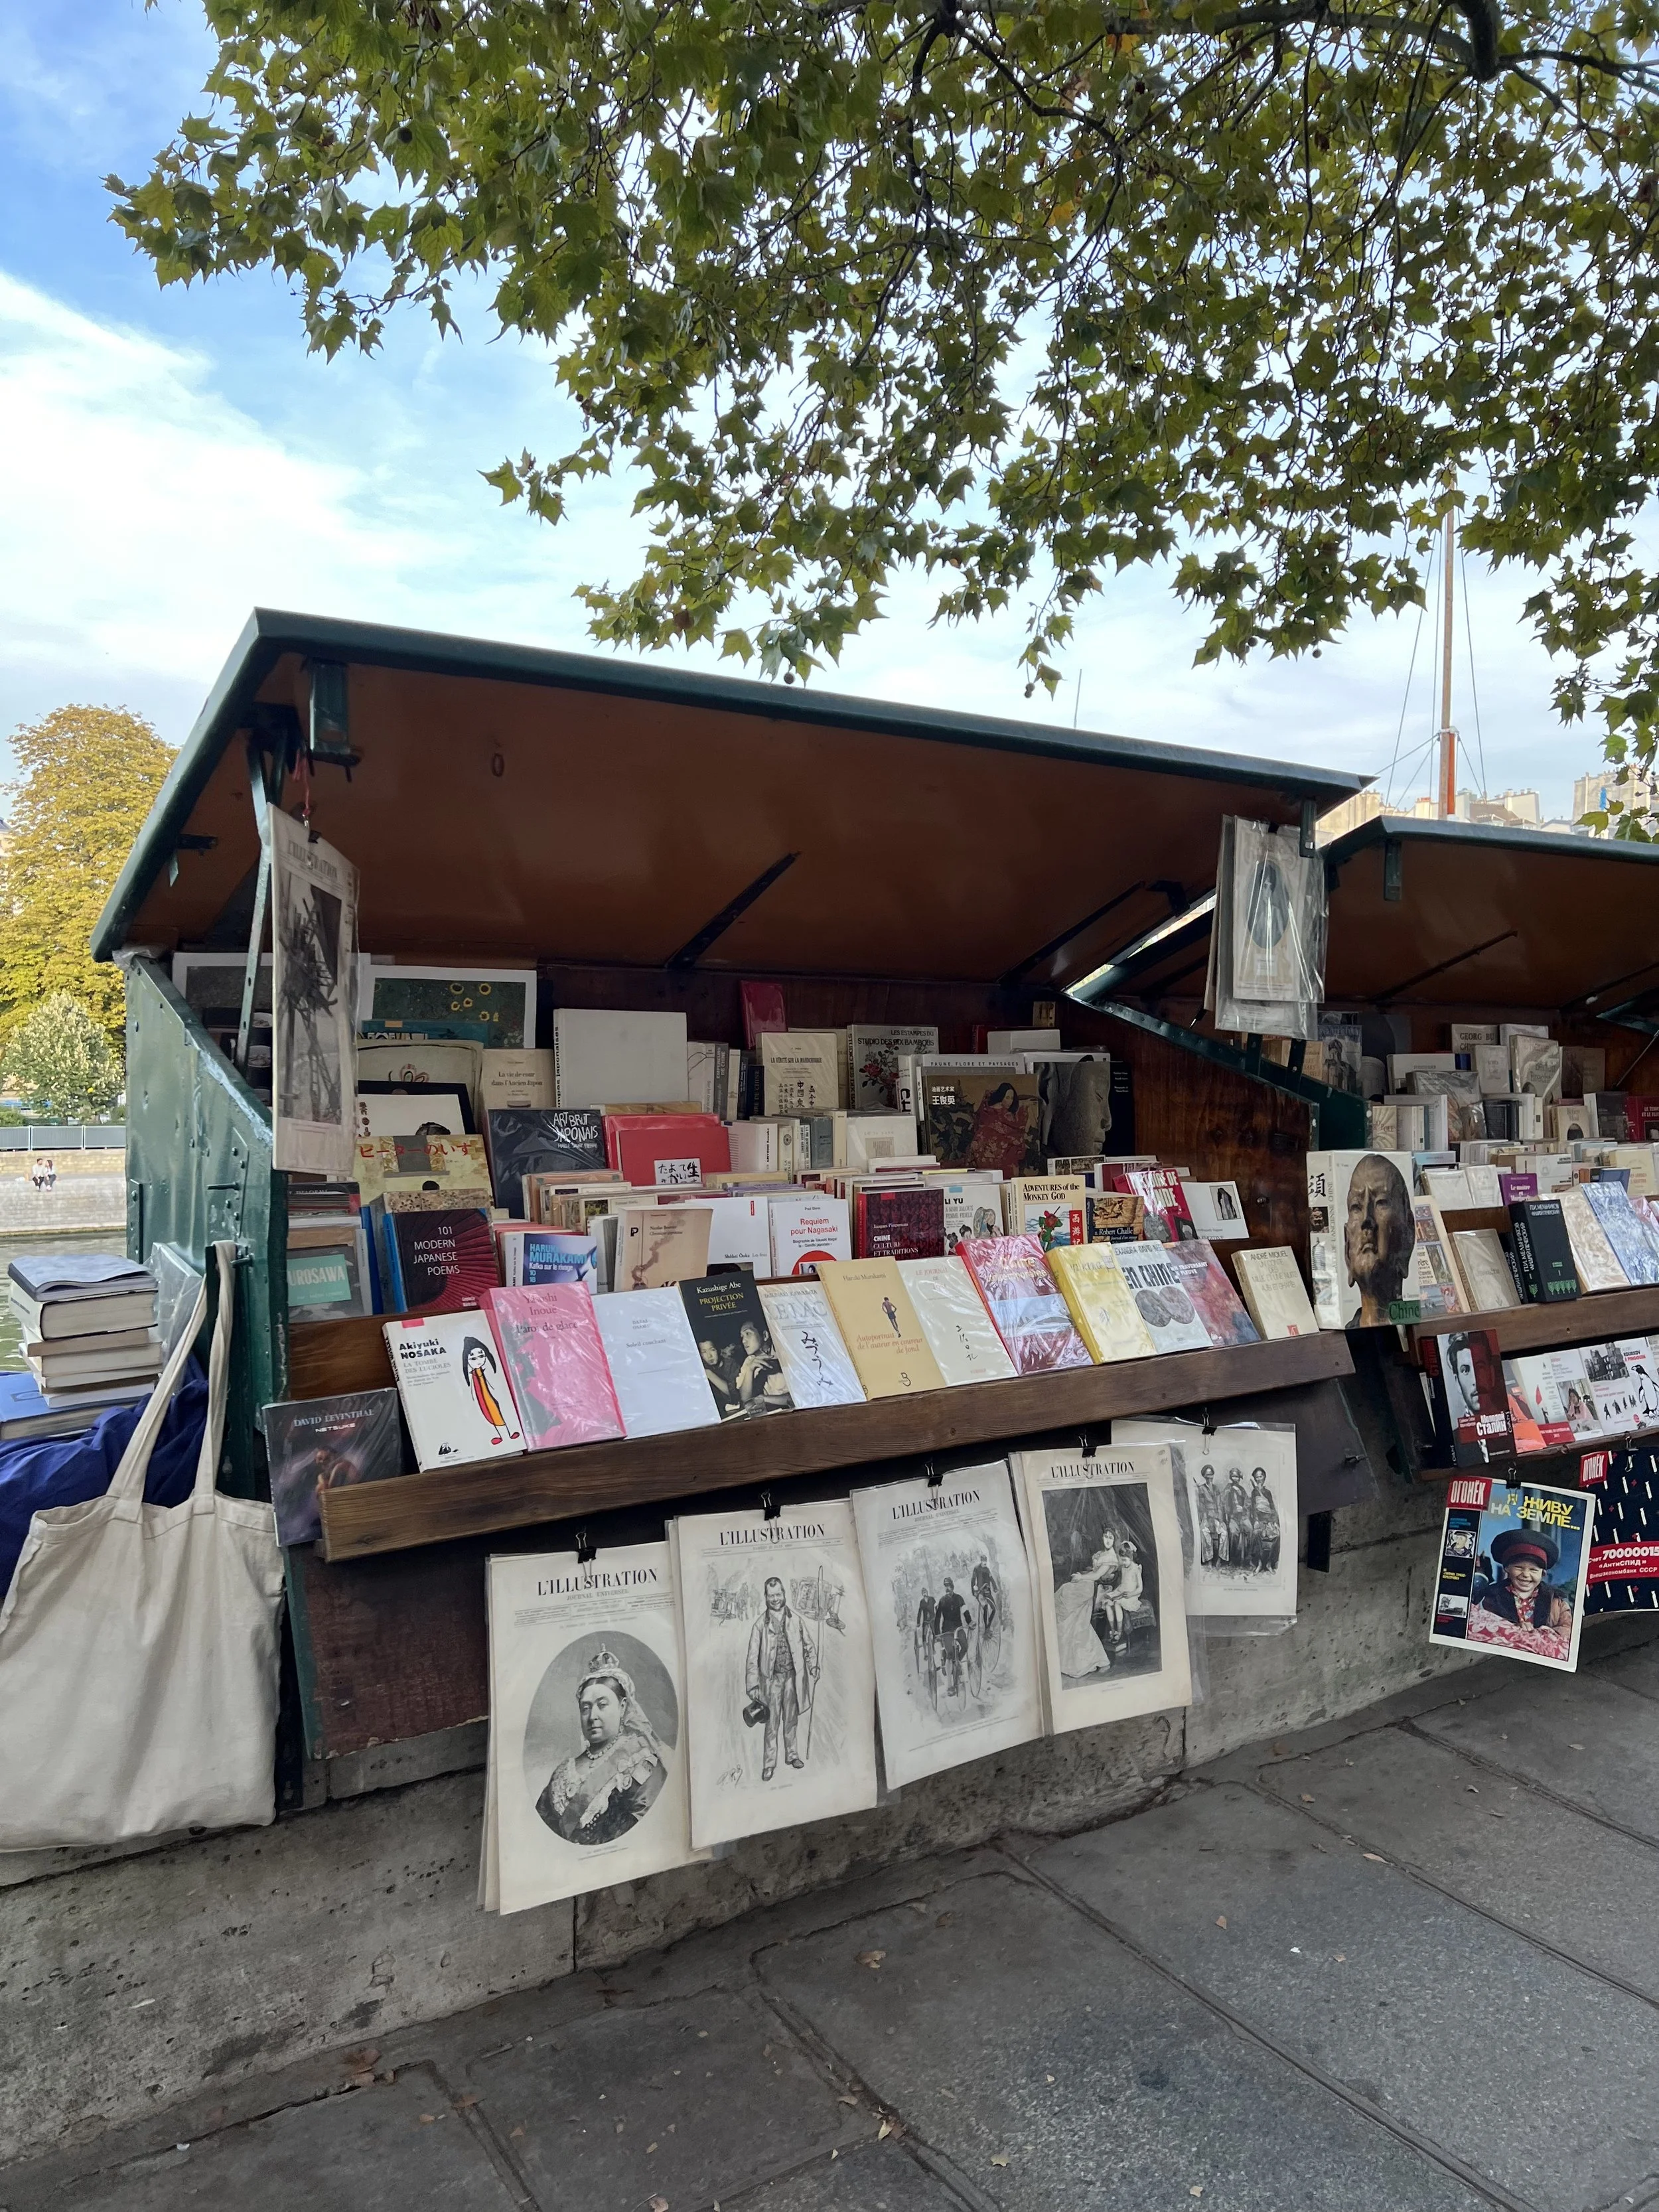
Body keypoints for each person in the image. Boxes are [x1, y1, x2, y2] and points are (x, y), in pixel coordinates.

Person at [536, 1647, 668, 1845]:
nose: (592, 1716)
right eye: (586, 1708)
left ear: (623, 1707)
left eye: (602, 1705)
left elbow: (645, 1834)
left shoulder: (642, 1765)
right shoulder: (563, 1772)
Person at [745, 1574, 818, 1780]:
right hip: (771, 1681)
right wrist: (753, 1687)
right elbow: (752, 1658)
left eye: (778, 1594)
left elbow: (808, 1645)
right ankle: (769, 1765)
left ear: (784, 1594)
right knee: (772, 1723)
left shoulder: (796, 1620)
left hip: (793, 1679)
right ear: (766, 1598)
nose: (775, 1599)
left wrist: (813, 1666)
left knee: (791, 1719)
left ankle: (792, 1755)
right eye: (771, 1596)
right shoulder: (760, 1625)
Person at [1468, 1524, 1575, 1657]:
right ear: (1507, 1568)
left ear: (1543, 1574)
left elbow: (1569, 1630)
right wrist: (1515, 1628)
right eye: (1519, 1567)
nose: (1525, 1574)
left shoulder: (1557, 1602)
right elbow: (1488, 1626)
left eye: (1533, 1570)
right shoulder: (1492, 1597)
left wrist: (1547, 1632)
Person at [1342, 1152, 1417, 1324]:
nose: (1367, 1220)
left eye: (1381, 1203)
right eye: (1356, 1207)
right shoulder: (1337, 1345)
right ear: (1347, 1249)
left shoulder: (1415, 1332)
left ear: (1408, 1235)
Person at [1054, 1539, 1117, 1678]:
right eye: (1105, 1536)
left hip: (1092, 1586)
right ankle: (1071, 1660)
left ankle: (1085, 1660)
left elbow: (1097, 1576)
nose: (1107, 1540)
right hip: (1087, 1583)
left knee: (1066, 1591)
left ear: (1114, 1538)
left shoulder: (1111, 1558)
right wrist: (1084, 1575)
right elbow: (1093, 1572)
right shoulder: (1103, 1554)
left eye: (1110, 1537)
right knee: (1074, 1620)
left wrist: (1081, 1577)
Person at [461, 1336, 512, 1438]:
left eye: (481, 1356)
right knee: (489, 1413)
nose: (478, 1361)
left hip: (491, 1396)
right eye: (473, 1359)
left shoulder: (489, 1372)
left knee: (496, 1412)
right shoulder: (474, 1374)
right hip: (483, 1397)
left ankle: (508, 1434)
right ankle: (502, 1436)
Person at [734, 1318, 788, 1412]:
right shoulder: (750, 1361)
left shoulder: (784, 1354)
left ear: (765, 1335)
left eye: (748, 1334)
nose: (744, 1341)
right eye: (742, 1336)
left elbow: (796, 1397)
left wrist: (763, 1398)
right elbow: (745, 1399)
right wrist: (750, 1370)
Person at [933, 1576, 969, 1694]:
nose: (947, 1588)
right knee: (949, 1654)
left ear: (952, 1586)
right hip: (947, 1631)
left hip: (958, 1628)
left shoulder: (959, 1598)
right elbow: (937, 1618)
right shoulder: (942, 1601)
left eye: (949, 1586)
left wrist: (970, 1622)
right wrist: (937, 1634)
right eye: (945, 1586)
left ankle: (957, 1662)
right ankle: (950, 1685)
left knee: (965, 1647)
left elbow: (965, 1611)